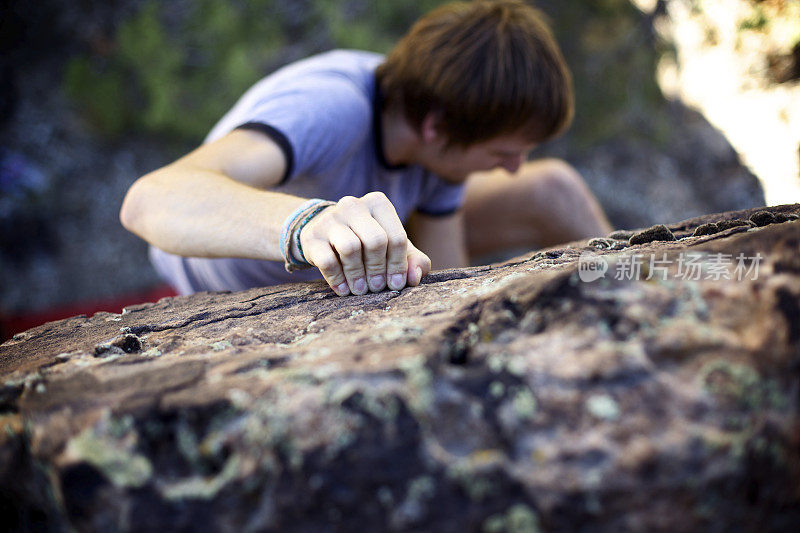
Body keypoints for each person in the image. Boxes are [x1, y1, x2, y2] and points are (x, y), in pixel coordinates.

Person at [120, 0, 612, 298]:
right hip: (226, 286)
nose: (511, 168)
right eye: (502, 152)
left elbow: (446, 281)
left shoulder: (442, 142)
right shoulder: (330, 107)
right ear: (437, 128)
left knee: (554, 188)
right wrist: (307, 226)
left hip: (348, 272)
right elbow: (149, 200)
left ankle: (655, 298)